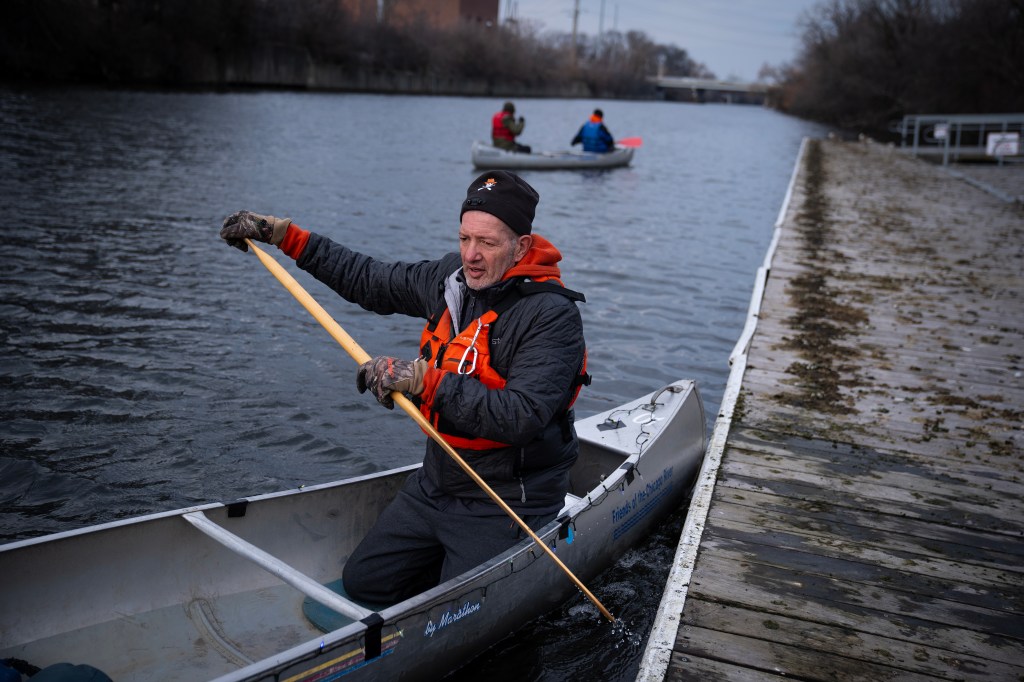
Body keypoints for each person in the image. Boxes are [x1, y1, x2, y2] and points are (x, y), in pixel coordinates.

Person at [219, 170, 588, 605]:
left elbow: (520, 416)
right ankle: (445, 560)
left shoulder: (551, 316)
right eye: (465, 238)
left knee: (452, 609)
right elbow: (370, 280)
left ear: (521, 246)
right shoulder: (451, 280)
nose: (471, 255)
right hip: (439, 478)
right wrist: (285, 237)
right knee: (364, 584)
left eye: (487, 243)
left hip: (507, 499)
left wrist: (422, 380)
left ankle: (475, 564)